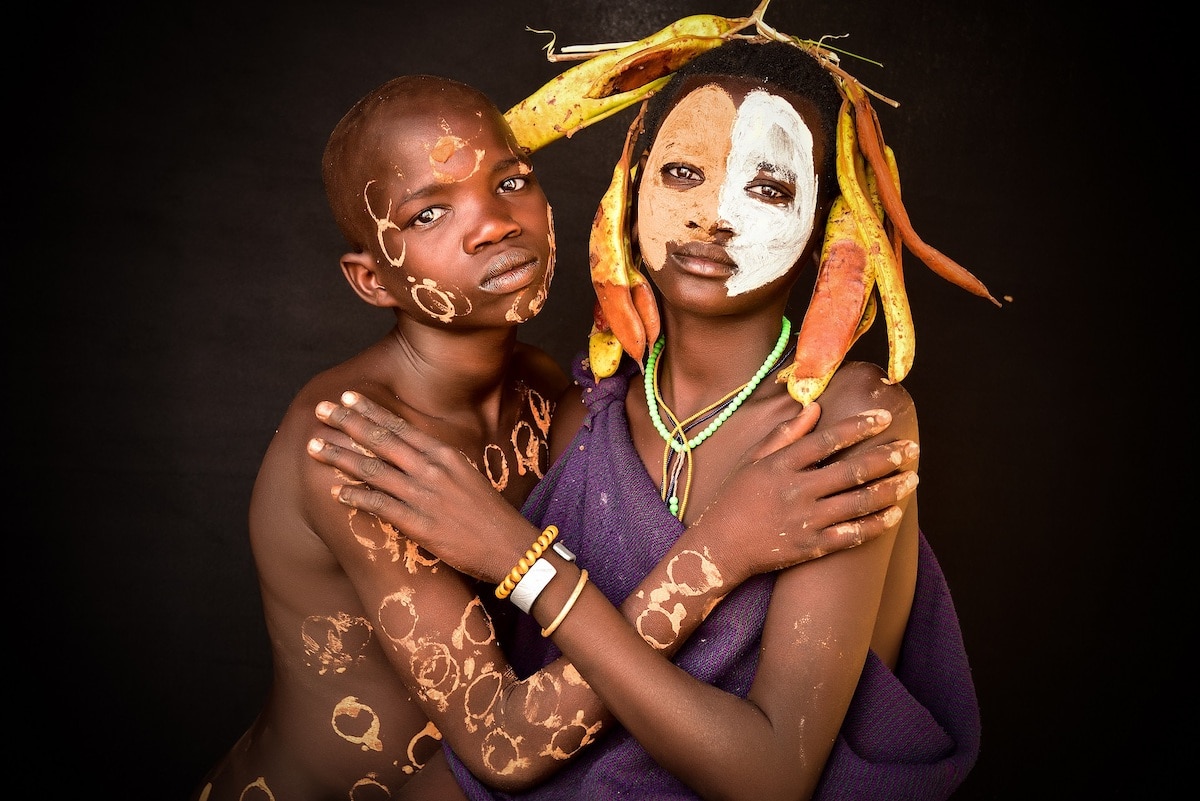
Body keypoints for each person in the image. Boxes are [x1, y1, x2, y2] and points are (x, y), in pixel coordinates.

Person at [192, 72, 920, 801]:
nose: (493, 224)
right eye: (427, 215)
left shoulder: (558, 398)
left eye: (510, 183)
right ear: (371, 280)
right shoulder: (355, 440)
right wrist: (724, 547)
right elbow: (504, 742)